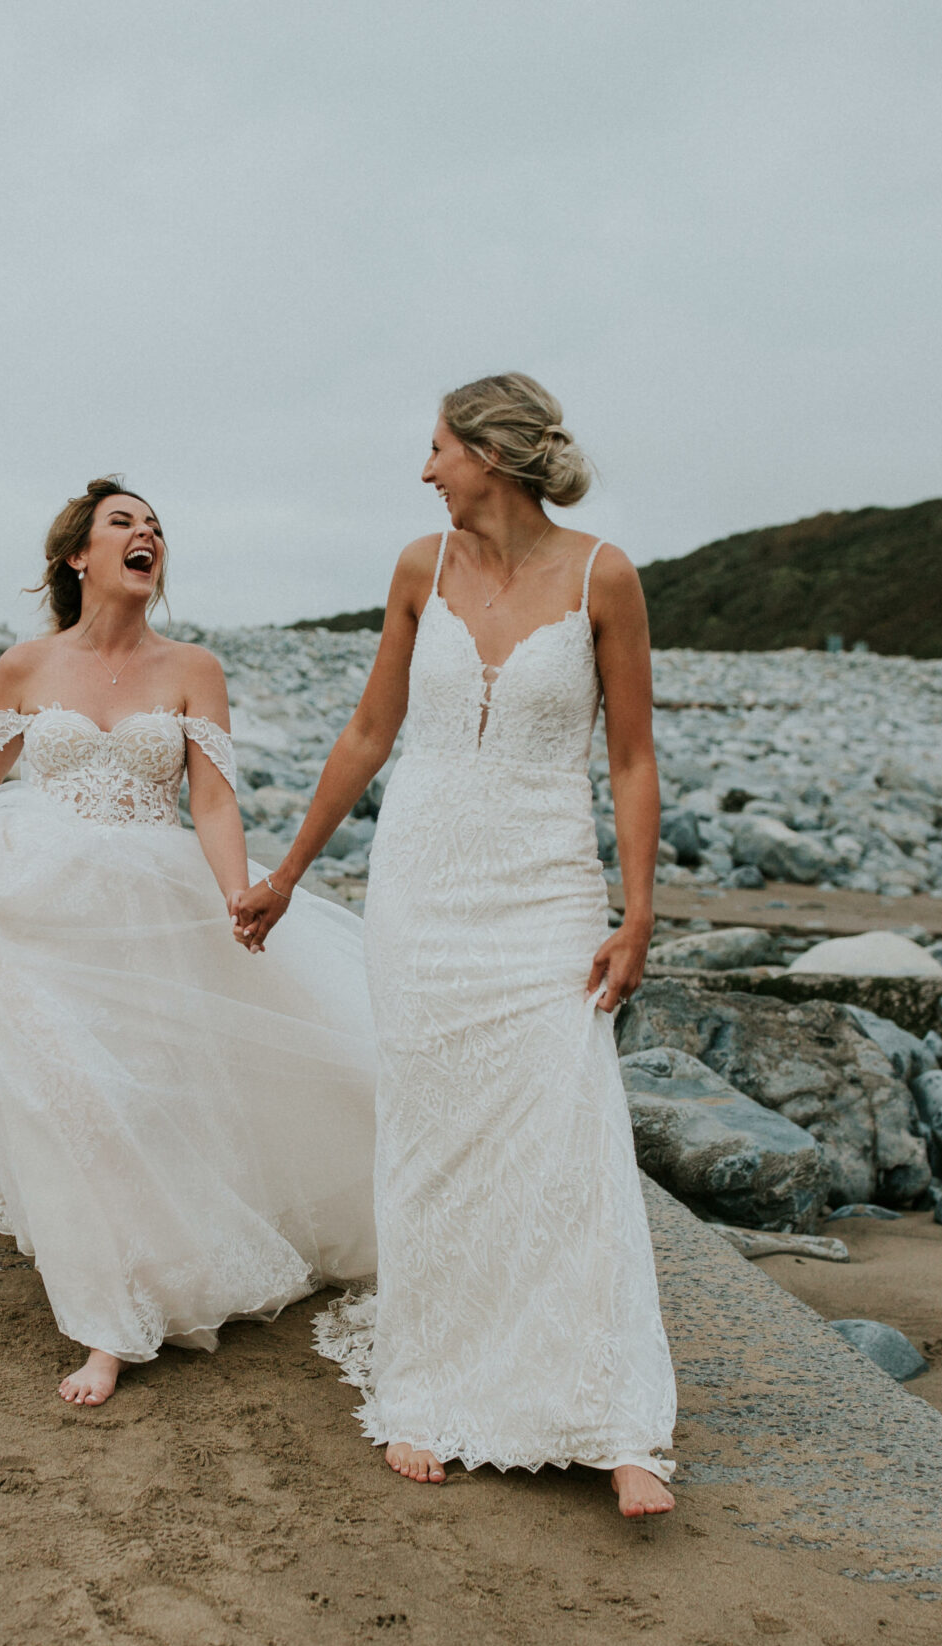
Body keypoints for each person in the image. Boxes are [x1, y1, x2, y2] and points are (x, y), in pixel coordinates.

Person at [232, 375, 679, 1518]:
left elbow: (630, 758)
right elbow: (371, 731)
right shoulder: (415, 569)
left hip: (544, 885)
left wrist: (636, 912)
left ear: (493, 452)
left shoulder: (604, 575)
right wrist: (286, 871)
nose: (425, 471)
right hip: (422, 887)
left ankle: (610, 1414)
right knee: (433, 1138)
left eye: (437, 449)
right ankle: (430, 1384)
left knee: (565, 1127)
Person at [0, 477, 378, 1407]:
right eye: (123, 524)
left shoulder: (192, 668)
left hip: (151, 897)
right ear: (77, 557)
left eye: (157, 528)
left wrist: (235, 894)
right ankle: (109, 1318)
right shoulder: (25, 667)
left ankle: (156, 1262)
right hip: (41, 903)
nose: (147, 536)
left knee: (152, 1084)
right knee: (72, 1099)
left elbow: (212, 797)